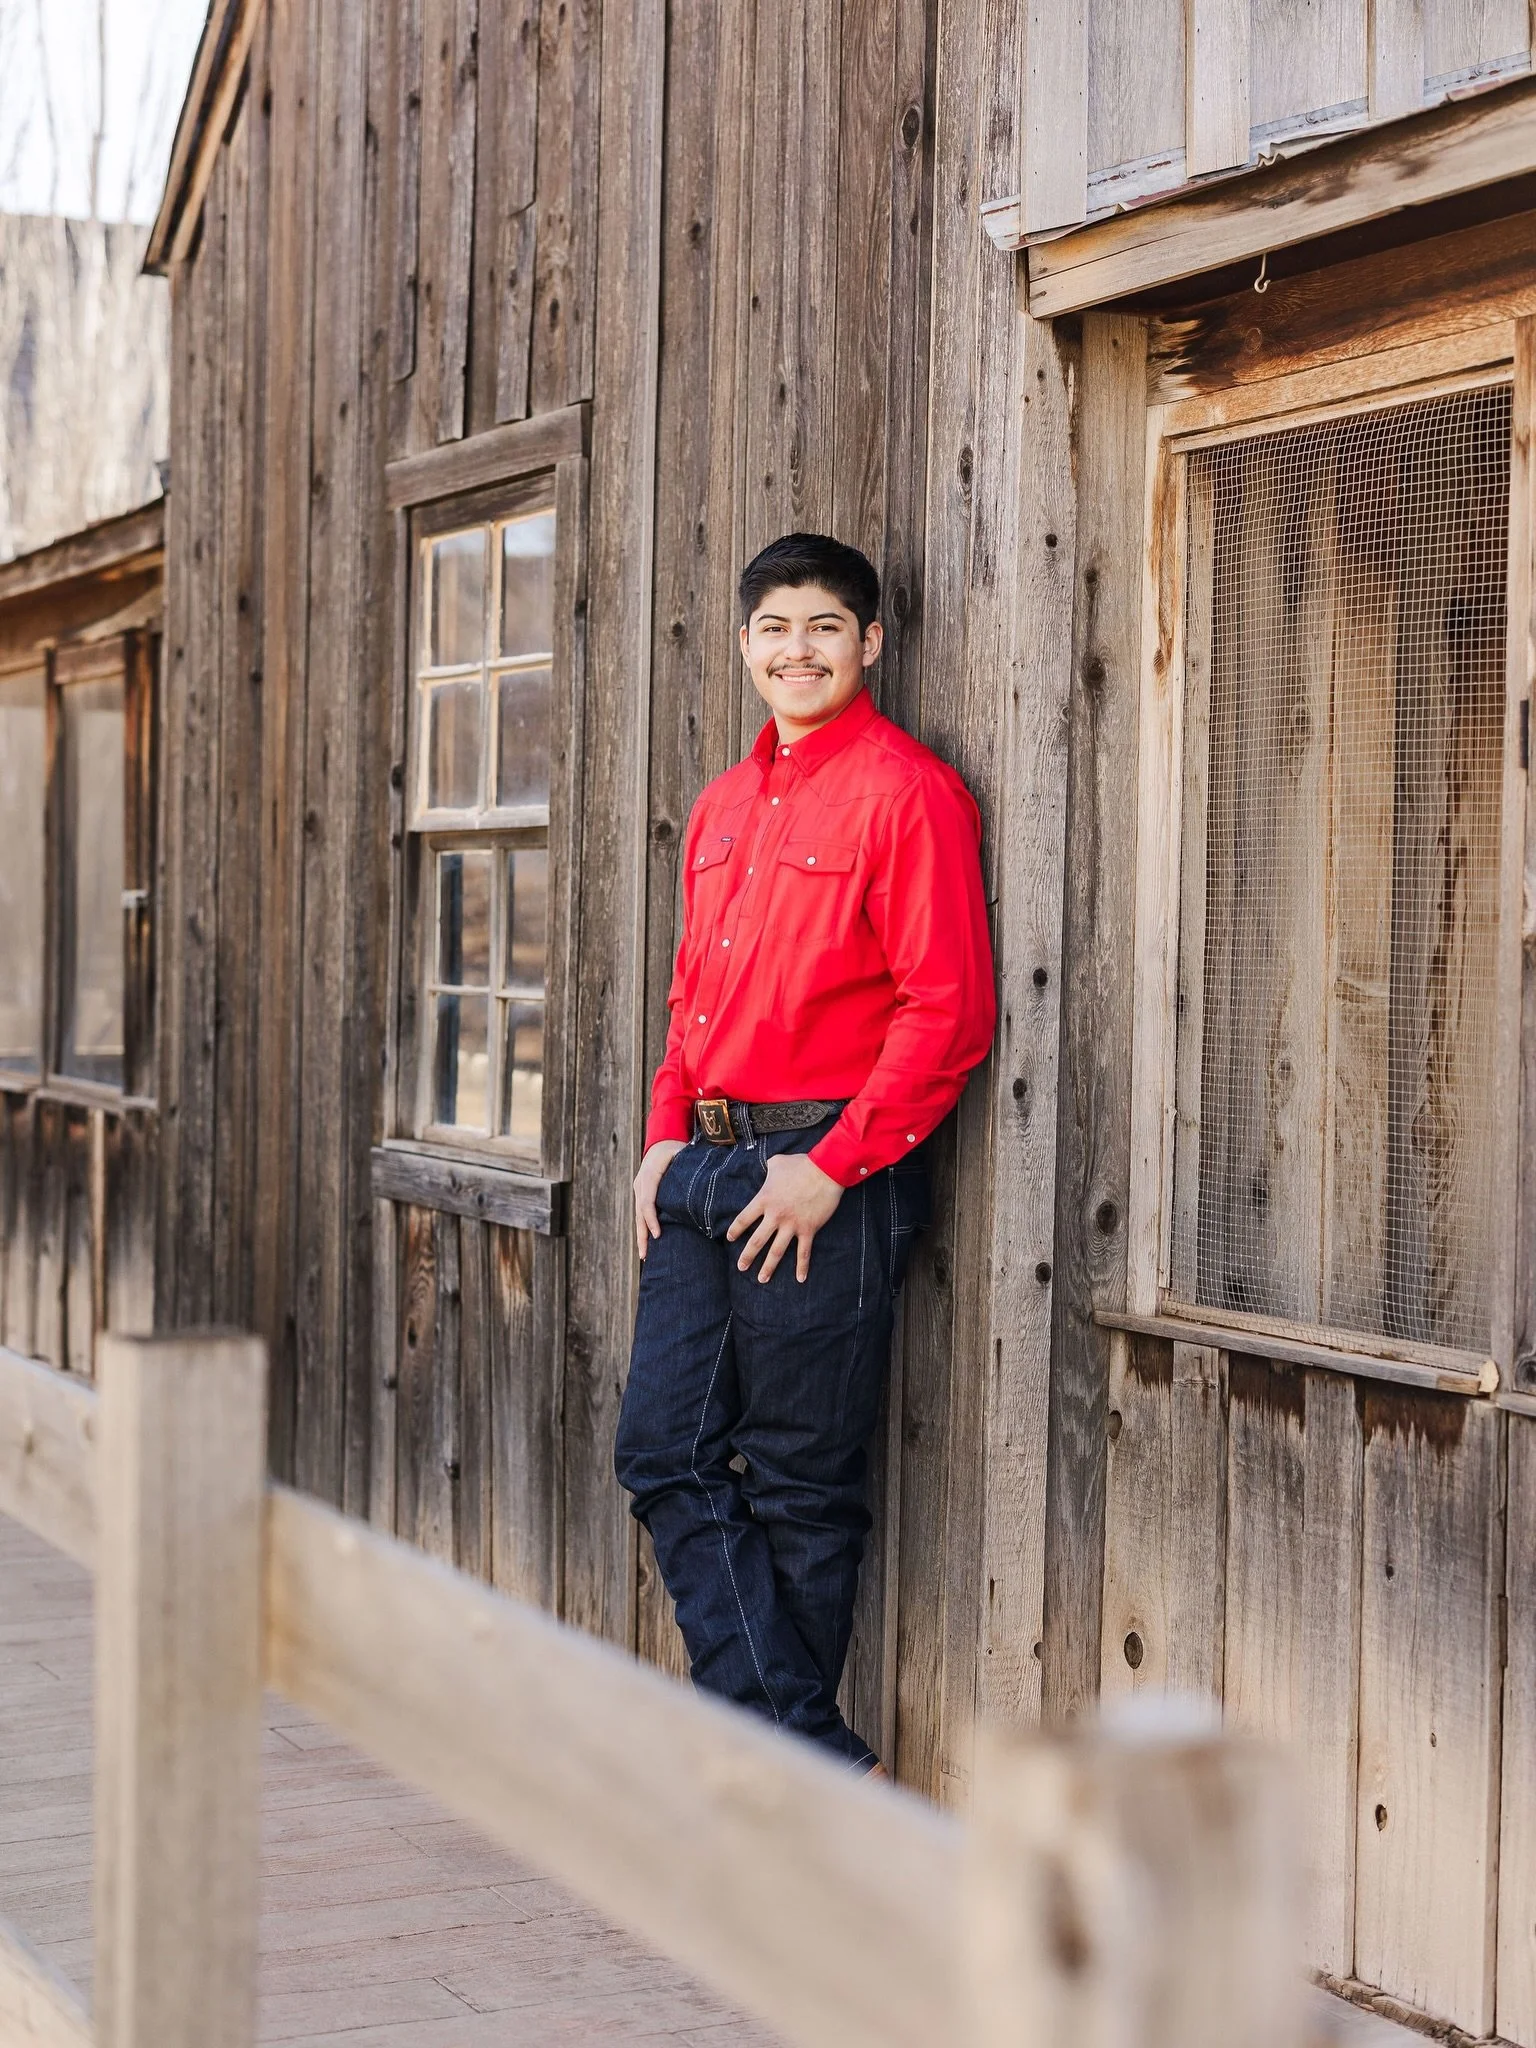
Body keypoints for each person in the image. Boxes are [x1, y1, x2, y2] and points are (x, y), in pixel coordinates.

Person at [613, 532, 995, 1773]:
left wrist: (833, 1165)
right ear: (745, 646)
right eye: (775, 627)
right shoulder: (722, 806)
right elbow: (691, 997)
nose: (799, 649)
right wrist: (661, 1138)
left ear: (868, 641)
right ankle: (813, 1757)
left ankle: (777, 1789)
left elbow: (947, 1010)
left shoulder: (908, 792)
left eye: (825, 625)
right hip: (704, 1165)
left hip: (827, 1170)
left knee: (797, 1481)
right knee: (662, 1449)